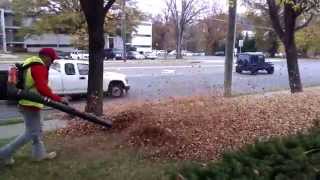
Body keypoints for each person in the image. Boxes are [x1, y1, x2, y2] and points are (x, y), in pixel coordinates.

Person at [0, 48, 68, 166]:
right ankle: (4, 153)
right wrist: (59, 98)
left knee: (37, 130)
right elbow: (42, 88)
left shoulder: (30, 62)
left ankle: (39, 155)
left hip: (28, 102)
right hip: (30, 104)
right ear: (46, 57)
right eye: (52, 59)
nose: (52, 62)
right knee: (31, 133)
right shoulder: (38, 67)